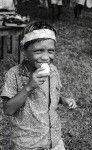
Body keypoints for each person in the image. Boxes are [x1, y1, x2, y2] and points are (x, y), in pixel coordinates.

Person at [1, 21, 77, 150]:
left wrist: (63, 100)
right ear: (24, 50)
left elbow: (52, 93)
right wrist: (29, 87)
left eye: (51, 51)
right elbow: (8, 110)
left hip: (54, 140)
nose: (46, 57)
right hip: (27, 143)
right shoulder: (14, 74)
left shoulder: (52, 70)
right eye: (39, 51)